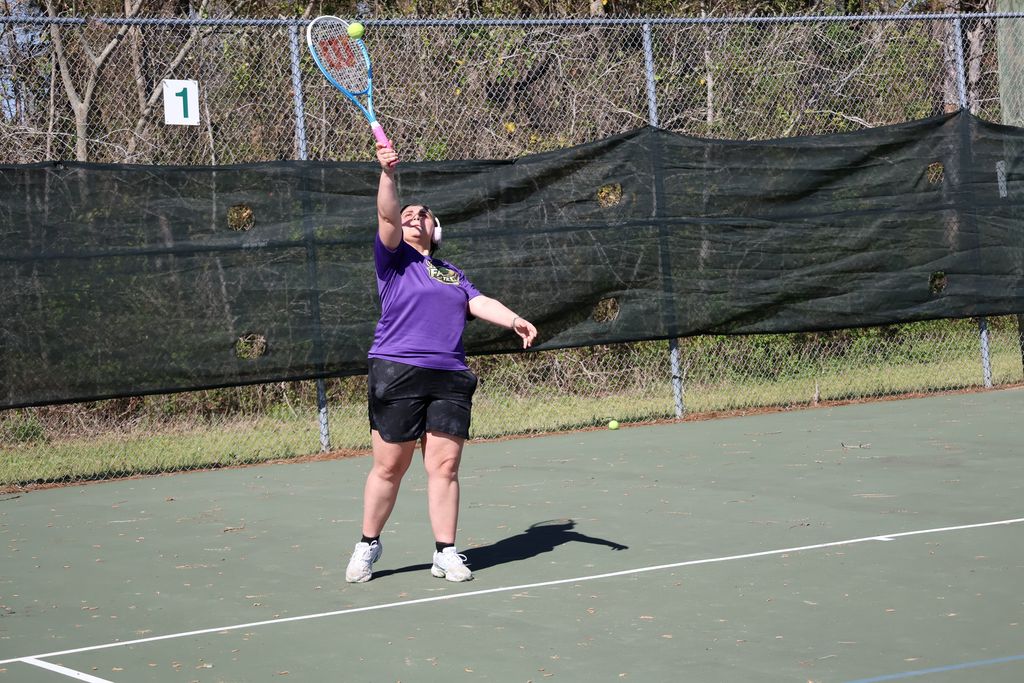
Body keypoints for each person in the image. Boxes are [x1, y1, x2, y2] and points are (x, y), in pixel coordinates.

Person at [345, 143, 538, 583]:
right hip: (396, 369)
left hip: (449, 374)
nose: (413, 217)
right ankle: (368, 543)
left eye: (423, 214)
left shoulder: (452, 273)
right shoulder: (393, 259)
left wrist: (514, 320)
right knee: (390, 466)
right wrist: (388, 174)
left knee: (446, 466)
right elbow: (387, 216)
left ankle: (445, 552)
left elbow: (479, 301)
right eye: (408, 214)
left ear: (436, 229)